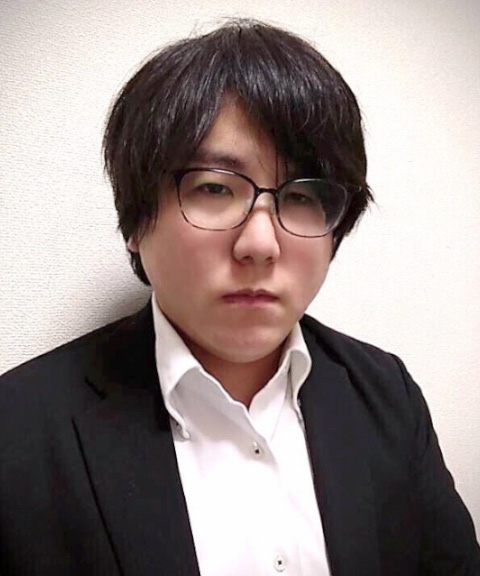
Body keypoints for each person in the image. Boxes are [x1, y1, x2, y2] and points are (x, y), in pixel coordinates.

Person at [0, 19, 478, 576]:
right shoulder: (20, 427)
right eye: (214, 188)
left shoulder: (386, 394)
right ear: (135, 219)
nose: (261, 244)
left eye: (303, 196)